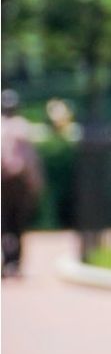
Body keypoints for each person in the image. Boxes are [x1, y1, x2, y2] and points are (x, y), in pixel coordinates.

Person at [2, 90, 45, 278]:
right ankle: (14, 262)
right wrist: (36, 182)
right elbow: (30, 160)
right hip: (17, 182)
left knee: (6, 224)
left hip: (5, 181)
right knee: (16, 224)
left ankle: (10, 261)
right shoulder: (22, 127)